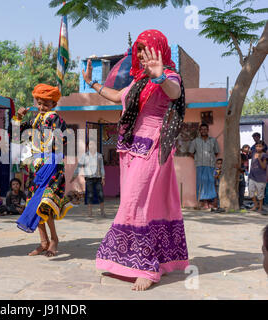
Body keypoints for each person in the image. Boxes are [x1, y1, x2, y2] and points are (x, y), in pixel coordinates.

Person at [84, 29, 189, 291]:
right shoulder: (139, 82)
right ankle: (157, 262)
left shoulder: (168, 76)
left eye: (145, 49)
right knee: (142, 203)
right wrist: (93, 84)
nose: (140, 54)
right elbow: (118, 96)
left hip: (152, 147)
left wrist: (161, 75)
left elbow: (175, 92)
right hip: (131, 149)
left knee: (137, 202)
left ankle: (146, 267)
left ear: (159, 50)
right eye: (138, 50)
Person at [13, 84, 73, 257]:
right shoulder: (35, 120)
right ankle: (44, 242)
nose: (41, 107)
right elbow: (16, 135)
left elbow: (62, 141)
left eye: (45, 104)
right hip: (37, 167)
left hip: (52, 166)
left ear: (53, 104)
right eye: (39, 103)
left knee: (45, 203)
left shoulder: (56, 119)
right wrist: (18, 116)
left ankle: (54, 239)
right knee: (33, 203)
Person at [70, 139, 106, 217]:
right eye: (90, 145)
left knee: (101, 195)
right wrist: (74, 176)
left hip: (98, 179)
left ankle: (102, 212)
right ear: (87, 146)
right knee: (90, 195)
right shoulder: (84, 156)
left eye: (93, 144)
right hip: (89, 179)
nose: (91, 146)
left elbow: (102, 167)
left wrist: (103, 177)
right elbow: (79, 167)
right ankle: (90, 213)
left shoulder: (99, 156)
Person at [189, 123, 220, 210]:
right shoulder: (195, 141)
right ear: (199, 131)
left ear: (208, 130)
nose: (203, 131)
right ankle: (203, 203)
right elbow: (191, 152)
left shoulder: (213, 140)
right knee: (201, 183)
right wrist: (197, 158)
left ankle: (210, 202)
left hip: (211, 165)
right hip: (200, 165)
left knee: (210, 183)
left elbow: (216, 152)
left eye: (205, 129)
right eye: (202, 129)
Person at [248, 141, 267, 213]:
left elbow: (264, 167)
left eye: (260, 146)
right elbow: (247, 152)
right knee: (251, 191)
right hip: (252, 176)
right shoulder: (253, 153)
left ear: (263, 147)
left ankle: (260, 207)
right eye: (257, 146)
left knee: (260, 194)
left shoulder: (264, 155)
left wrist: (259, 159)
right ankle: (255, 205)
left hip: (261, 178)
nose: (258, 148)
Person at [238, 145, 250, 209]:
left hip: (242, 179)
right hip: (237, 180)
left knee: (242, 193)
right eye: (242, 160)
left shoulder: (243, 165)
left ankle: (241, 204)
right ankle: (238, 204)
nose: (243, 162)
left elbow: (243, 169)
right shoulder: (237, 163)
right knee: (237, 193)